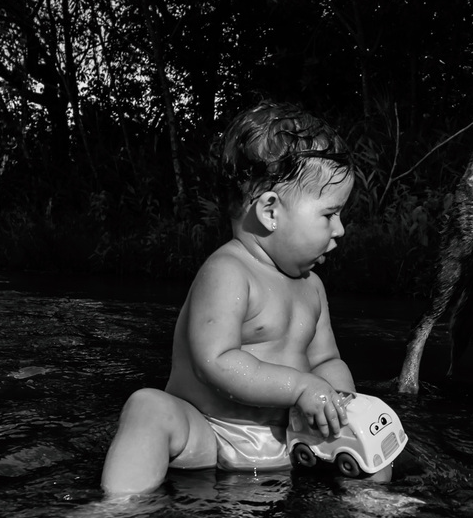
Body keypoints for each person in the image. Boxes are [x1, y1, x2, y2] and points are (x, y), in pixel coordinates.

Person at [101, 102, 386, 496]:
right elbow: (215, 361)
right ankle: (118, 508)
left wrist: (340, 405)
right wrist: (301, 388)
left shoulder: (312, 286)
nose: (340, 230)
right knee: (148, 407)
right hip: (210, 436)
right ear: (270, 210)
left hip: (286, 445)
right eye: (329, 215)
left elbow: (326, 360)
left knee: (378, 441)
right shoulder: (227, 272)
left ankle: (373, 509)